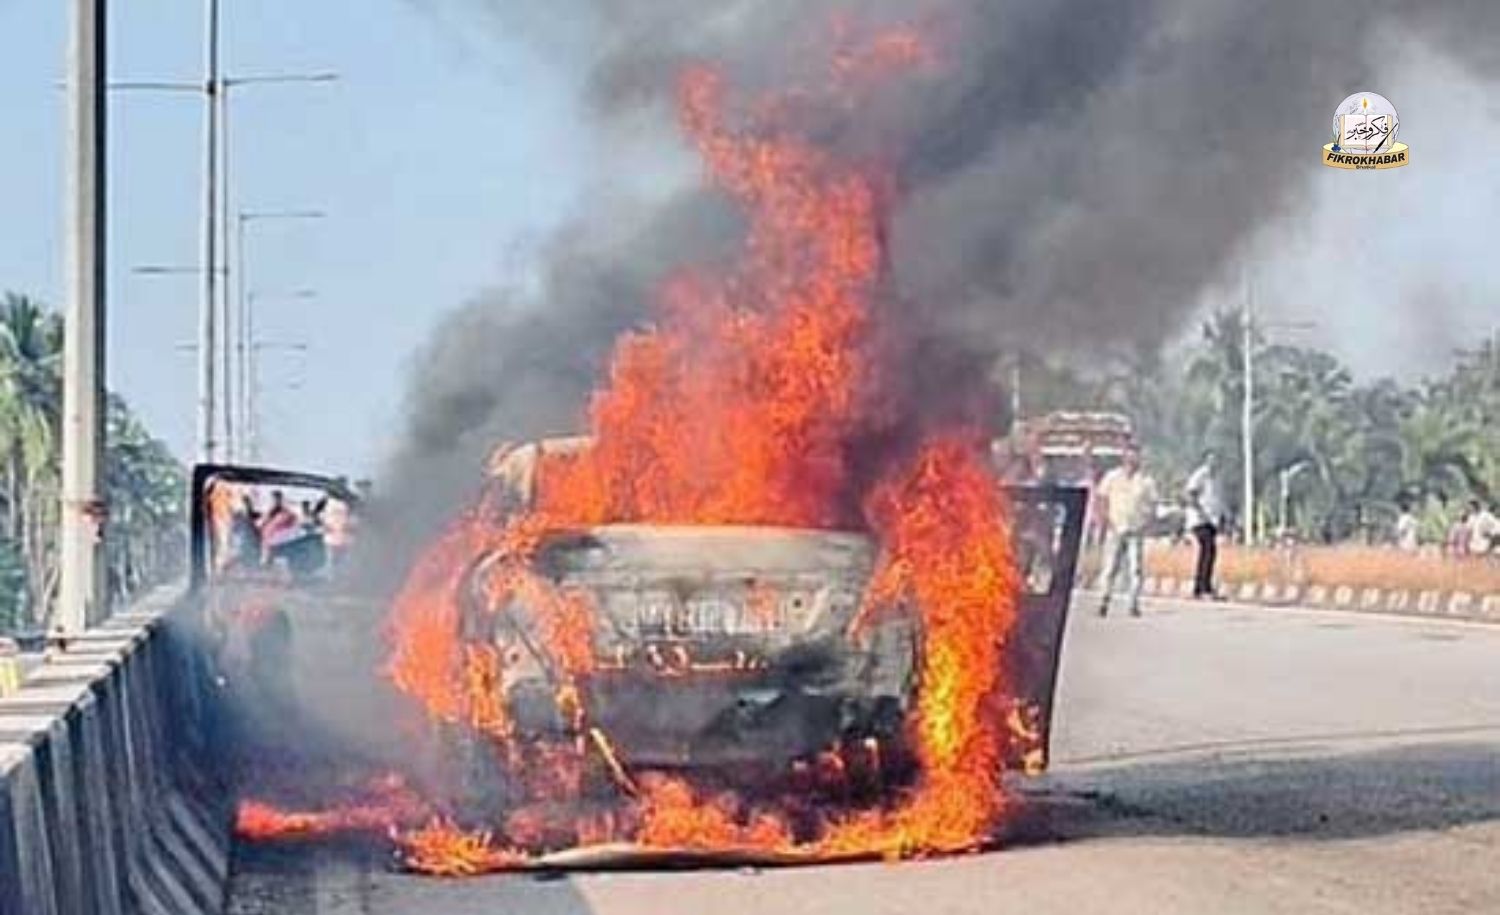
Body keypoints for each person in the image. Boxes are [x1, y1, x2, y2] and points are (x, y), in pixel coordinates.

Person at [1095, 446, 1158, 618]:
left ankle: (1133, 604)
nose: (1132, 461)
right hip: (1115, 527)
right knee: (1110, 567)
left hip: (1135, 530)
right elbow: (1102, 498)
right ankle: (1103, 600)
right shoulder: (1112, 477)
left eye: (1135, 458)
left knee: (1135, 569)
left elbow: (1153, 505)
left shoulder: (1146, 481)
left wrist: (1147, 523)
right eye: (1129, 457)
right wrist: (1104, 520)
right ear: (1123, 458)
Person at [1184, 450, 1224, 599]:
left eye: (1216, 460)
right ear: (1206, 460)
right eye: (1211, 459)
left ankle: (1201, 587)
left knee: (1209, 553)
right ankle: (1203, 588)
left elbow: (1216, 499)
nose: (1214, 463)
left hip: (1212, 520)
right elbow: (1190, 494)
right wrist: (1200, 511)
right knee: (1207, 550)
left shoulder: (1216, 478)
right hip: (1200, 519)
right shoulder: (1200, 475)